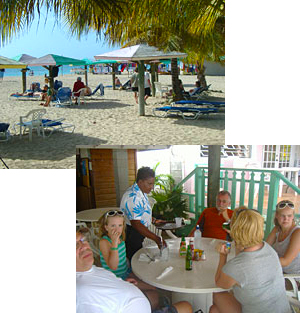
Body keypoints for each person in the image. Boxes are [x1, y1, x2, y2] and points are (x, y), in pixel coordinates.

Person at [77, 228, 192, 313]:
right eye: (75, 245)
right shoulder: (81, 293)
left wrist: (124, 285)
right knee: (186, 307)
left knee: (154, 295)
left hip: (133, 300)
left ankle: (161, 304)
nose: (84, 246)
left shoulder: (90, 269)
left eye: (82, 240)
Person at [209, 208, 291, 313]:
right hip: (283, 309)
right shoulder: (268, 249)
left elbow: (219, 283)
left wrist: (222, 256)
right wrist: (238, 239)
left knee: (217, 294)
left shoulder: (236, 266)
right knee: (214, 310)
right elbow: (243, 256)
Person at [98, 210, 159, 310]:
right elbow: (113, 266)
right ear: (106, 227)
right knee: (153, 290)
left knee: (152, 284)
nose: (117, 229)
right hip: (116, 279)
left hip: (126, 273)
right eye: (113, 226)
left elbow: (123, 260)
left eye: (120, 225)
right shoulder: (105, 242)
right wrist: (114, 243)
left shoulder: (121, 237)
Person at [120, 167, 166, 261]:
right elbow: (136, 224)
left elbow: (141, 212)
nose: (152, 187)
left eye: (153, 184)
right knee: (134, 259)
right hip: (132, 232)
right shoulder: (133, 197)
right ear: (140, 182)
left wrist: (153, 220)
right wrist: (157, 238)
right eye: (149, 184)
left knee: (138, 256)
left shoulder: (141, 191)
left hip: (137, 230)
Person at [266, 200, 300, 280]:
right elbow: (265, 247)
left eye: (289, 215)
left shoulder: (297, 232)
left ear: (293, 216)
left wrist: (262, 260)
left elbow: (286, 261)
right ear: (277, 215)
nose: (286, 219)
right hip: (279, 272)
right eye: (282, 215)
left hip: (293, 278)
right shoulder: (277, 229)